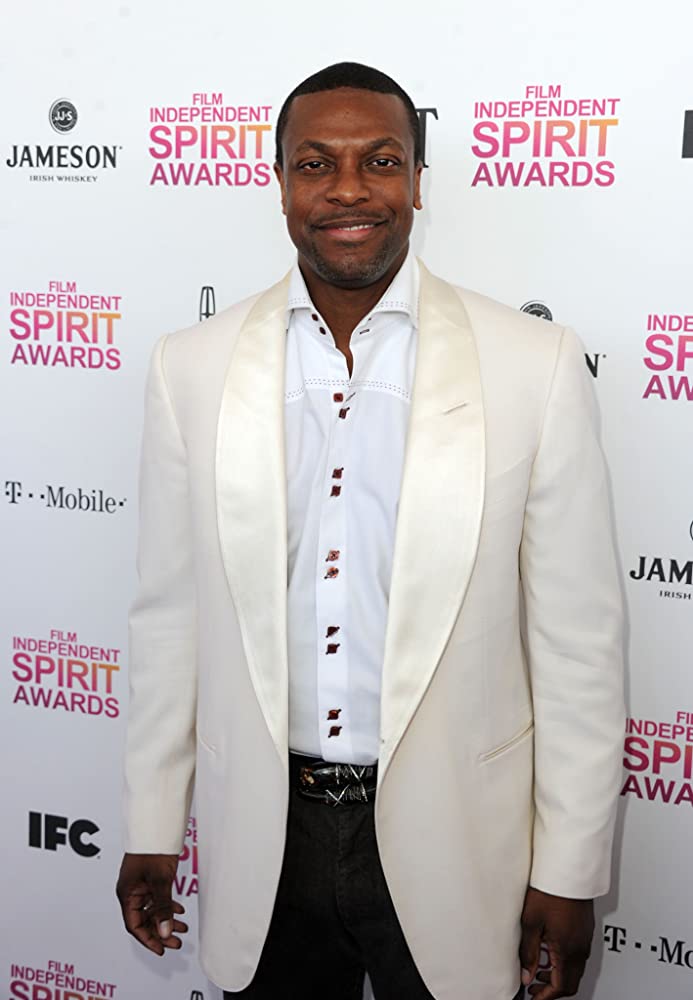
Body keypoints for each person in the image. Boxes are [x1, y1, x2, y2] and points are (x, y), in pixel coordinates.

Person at [116, 62, 625, 1000]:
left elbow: (577, 646)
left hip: (458, 841)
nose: (348, 189)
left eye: (380, 161)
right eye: (316, 164)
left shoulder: (533, 365)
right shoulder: (189, 367)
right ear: (280, 186)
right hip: (262, 840)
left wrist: (568, 868)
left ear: (417, 182)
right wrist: (152, 822)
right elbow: (167, 618)